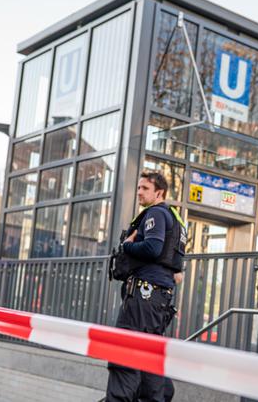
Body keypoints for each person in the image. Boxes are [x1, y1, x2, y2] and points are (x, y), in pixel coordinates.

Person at [106, 172, 186, 402]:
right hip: (157, 299)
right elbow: (172, 259)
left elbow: (152, 247)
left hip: (143, 298)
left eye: (144, 188)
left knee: (124, 357)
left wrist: (127, 245)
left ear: (158, 192)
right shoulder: (173, 217)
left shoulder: (155, 213)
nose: (139, 192)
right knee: (149, 360)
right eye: (138, 187)